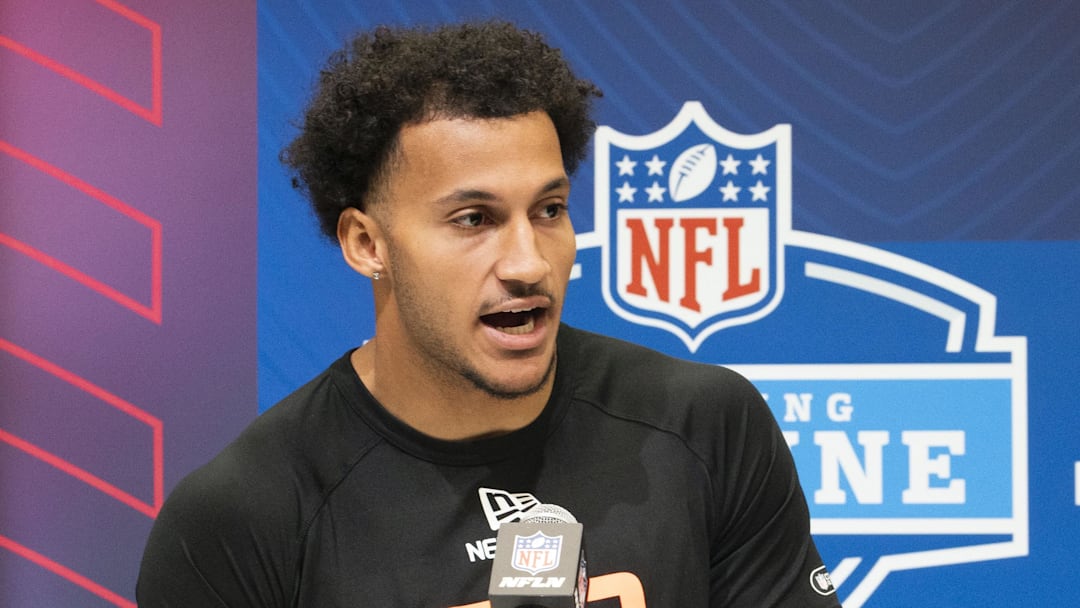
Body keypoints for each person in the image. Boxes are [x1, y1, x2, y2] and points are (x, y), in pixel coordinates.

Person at [137, 21, 840, 607]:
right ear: (367, 243)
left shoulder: (708, 426)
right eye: (475, 219)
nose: (528, 262)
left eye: (550, 211)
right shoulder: (244, 517)